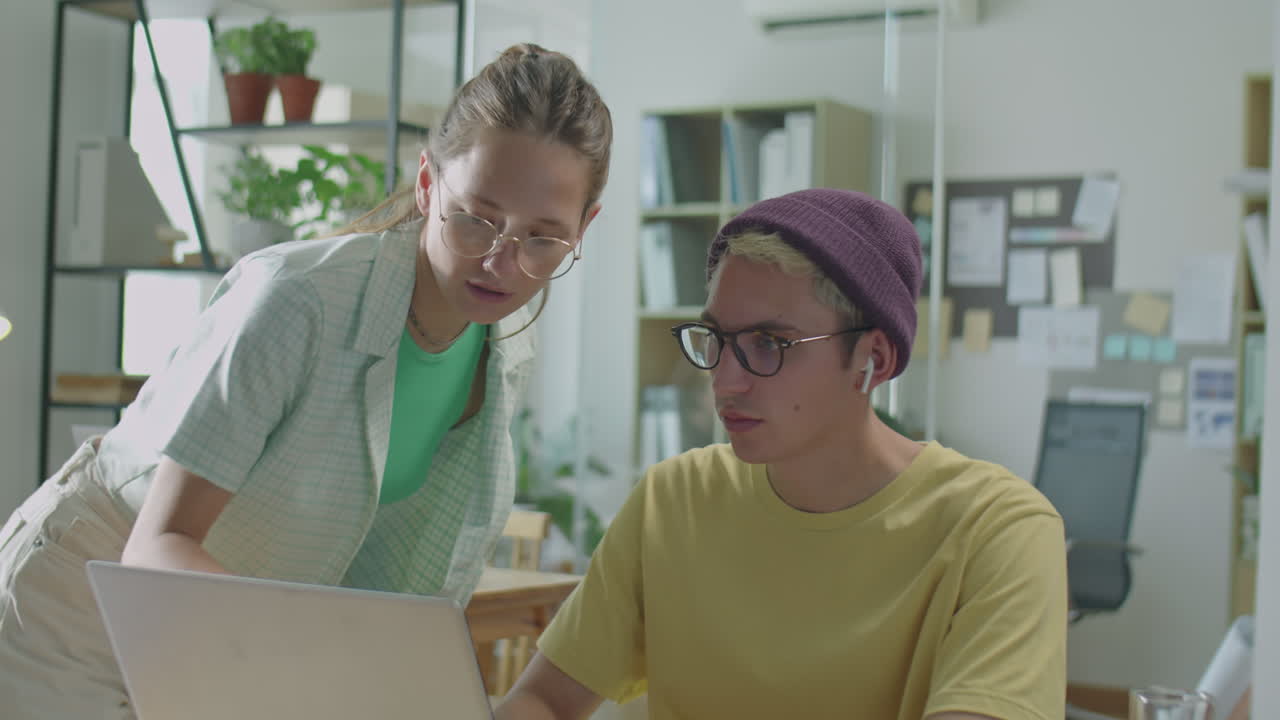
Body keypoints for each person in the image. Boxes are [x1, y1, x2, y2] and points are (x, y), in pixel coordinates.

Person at [0, 43, 611, 718]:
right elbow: (158, 545)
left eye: (542, 239)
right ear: (429, 183)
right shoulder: (297, 301)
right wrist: (311, 666)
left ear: (584, 229)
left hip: (217, 631)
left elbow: (397, 580)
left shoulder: (505, 352)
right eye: (477, 218)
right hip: (80, 603)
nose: (501, 261)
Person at [497, 189, 1068, 720]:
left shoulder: (998, 531)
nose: (725, 381)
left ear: (875, 360)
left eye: (769, 344)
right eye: (716, 338)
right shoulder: (673, 501)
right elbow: (545, 699)